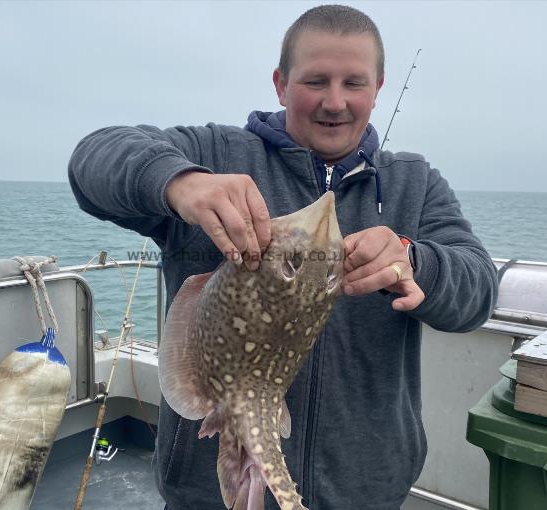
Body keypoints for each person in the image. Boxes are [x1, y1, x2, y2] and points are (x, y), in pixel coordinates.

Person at [68, 5, 498, 509]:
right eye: (316, 80)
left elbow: (478, 291)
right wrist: (180, 183)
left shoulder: (414, 184)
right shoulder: (216, 153)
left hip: (365, 490)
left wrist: (414, 261)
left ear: (378, 88)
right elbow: (92, 159)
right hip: (204, 490)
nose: (335, 102)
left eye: (353, 83)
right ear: (280, 84)